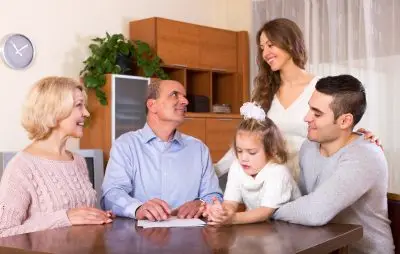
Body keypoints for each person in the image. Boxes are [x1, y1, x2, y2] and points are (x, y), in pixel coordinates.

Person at [215, 18, 379, 180]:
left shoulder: (320, 89)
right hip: (272, 183)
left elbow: (342, 126)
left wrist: (363, 137)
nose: (265, 53)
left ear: (289, 43)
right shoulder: (264, 93)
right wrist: (214, 171)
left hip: (310, 181)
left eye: (270, 45)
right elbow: (246, 140)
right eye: (262, 48)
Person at [273, 75, 394, 254]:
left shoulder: (365, 156)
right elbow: (301, 202)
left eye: (317, 113)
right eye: (309, 109)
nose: (306, 118)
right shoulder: (309, 146)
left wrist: (267, 210)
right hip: (324, 246)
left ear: (345, 121)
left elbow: (314, 212)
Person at [0, 77, 113, 237]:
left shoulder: (78, 161)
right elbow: (3, 232)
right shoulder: (21, 167)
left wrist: (96, 216)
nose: (86, 113)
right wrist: (64, 218)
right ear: (55, 110)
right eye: (79, 105)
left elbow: (77, 218)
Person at [101, 79, 222, 221]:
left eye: (184, 96)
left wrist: (201, 204)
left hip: (191, 236)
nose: (185, 102)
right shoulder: (126, 145)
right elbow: (111, 194)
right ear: (152, 105)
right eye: (175, 95)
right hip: (138, 237)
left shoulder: (199, 149)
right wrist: (138, 208)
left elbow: (214, 195)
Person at [205, 102, 300, 226]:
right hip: (262, 227)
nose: (243, 158)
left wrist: (232, 219)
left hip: (290, 228)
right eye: (239, 151)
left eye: (252, 152)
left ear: (271, 151)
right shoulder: (237, 167)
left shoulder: (278, 172)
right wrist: (223, 212)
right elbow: (230, 202)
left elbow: (265, 212)